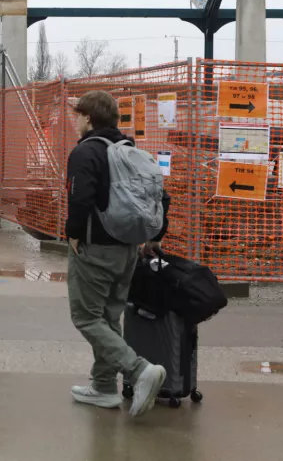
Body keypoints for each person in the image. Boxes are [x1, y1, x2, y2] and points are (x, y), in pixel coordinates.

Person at [65, 90, 167, 418]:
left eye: (77, 114)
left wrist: (74, 233)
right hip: (127, 249)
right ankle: (103, 387)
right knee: (109, 318)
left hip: (95, 248)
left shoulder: (86, 153)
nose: (74, 119)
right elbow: (158, 196)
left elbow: (80, 198)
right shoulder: (129, 150)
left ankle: (139, 371)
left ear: (89, 118)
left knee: (85, 317)